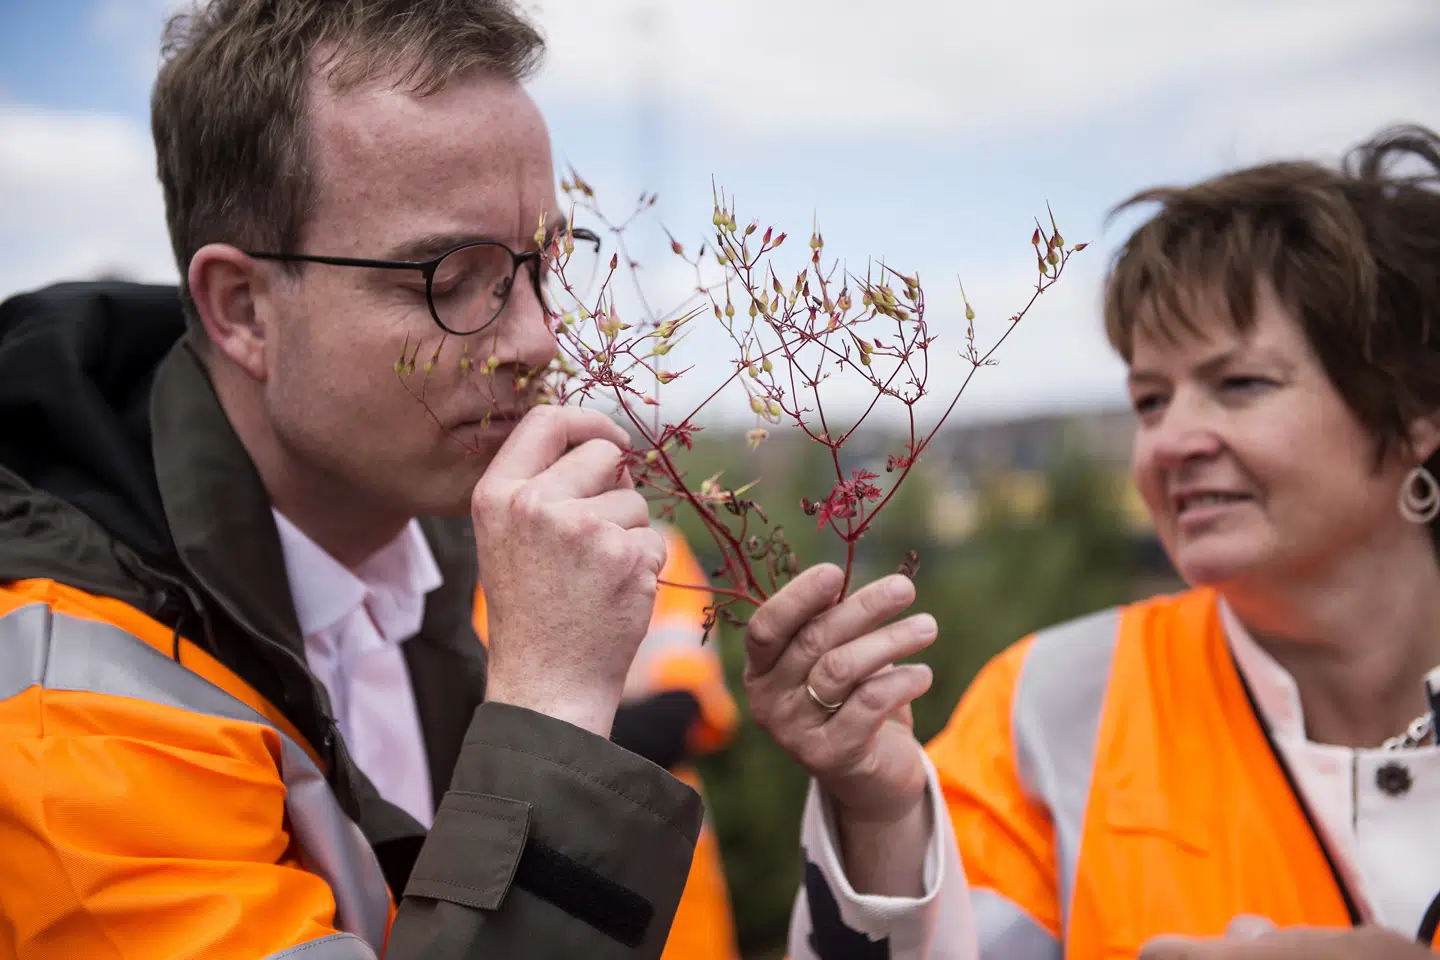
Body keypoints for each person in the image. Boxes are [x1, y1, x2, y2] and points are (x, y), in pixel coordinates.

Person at [0, 0, 908, 956]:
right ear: (243, 311)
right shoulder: (69, 723)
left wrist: (876, 826)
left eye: (539, 266)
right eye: (446, 276)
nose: (535, 340)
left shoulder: (480, 564)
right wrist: (552, 715)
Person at [744, 122, 1440, 959]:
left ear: (1412, 415)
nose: (1171, 440)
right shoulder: (1053, 708)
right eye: (1150, 400)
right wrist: (880, 822)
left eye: (1240, 384)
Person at [474, 523, 743, 959]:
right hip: (537, 895)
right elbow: (478, 739)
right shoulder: (490, 557)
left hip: (675, 898)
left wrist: (541, 715)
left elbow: (671, 723)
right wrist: (616, 692)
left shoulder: (658, 549)